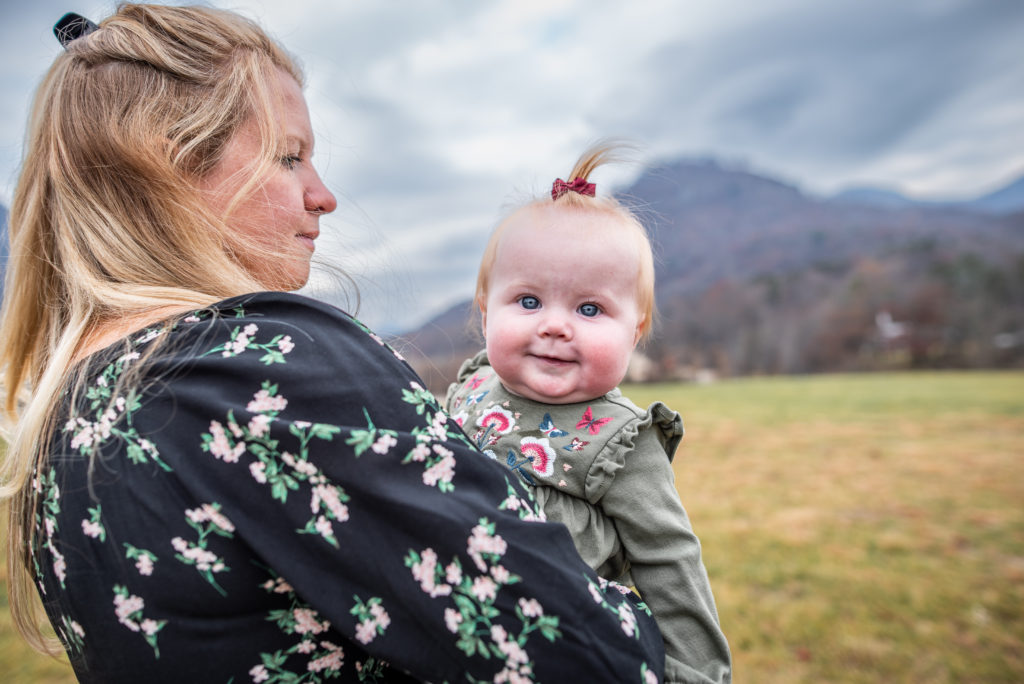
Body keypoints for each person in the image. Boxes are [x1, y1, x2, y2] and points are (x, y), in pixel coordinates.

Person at [0, 6, 673, 682]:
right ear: (168, 167)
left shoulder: (67, 410)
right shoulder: (262, 366)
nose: (324, 197)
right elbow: (592, 658)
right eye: (289, 157)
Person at [445, 143, 732, 683]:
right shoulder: (473, 386)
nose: (554, 325)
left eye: (590, 308)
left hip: (559, 650)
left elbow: (670, 558)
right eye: (528, 301)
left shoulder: (621, 441)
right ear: (486, 311)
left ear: (635, 331)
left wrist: (697, 672)